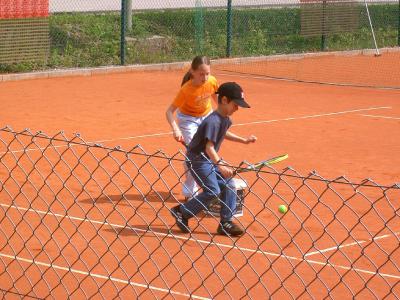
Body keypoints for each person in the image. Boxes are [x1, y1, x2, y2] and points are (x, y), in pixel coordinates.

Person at [170, 82, 257, 236]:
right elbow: (209, 147)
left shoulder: (226, 119)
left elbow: (223, 134)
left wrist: (243, 140)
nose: (237, 108)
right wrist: (220, 164)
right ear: (224, 100)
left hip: (209, 160)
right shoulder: (213, 120)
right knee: (212, 190)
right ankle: (182, 211)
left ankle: (226, 223)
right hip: (198, 160)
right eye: (235, 104)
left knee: (229, 184)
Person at [166, 55, 218, 200]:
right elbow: (169, 111)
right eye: (201, 74)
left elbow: (217, 100)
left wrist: (221, 116)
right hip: (188, 119)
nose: (205, 77)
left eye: (207, 73)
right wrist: (175, 129)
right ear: (192, 72)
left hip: (206, 116)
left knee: (208, 151)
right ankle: (190, 192)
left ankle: (212, 185)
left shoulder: (212, 81)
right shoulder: (186, 90)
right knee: (196, 153)